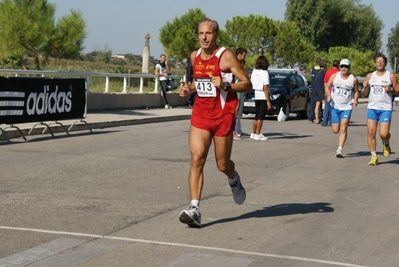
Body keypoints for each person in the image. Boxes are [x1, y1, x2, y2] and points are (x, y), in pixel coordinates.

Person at [177, 18, 252, 228]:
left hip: (223, 115)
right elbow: (199, 82)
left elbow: (247, 84)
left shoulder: (225, 56)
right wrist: (188, 89)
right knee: (197, 158)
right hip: (201, 114)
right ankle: (194, 208)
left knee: (222, 164)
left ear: (216, 35)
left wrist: (226, 84)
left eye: (208, 33)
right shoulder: (195, 56)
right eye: (201, 33)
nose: (204, 37)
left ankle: (233, 178)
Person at [361, 53, 398, 165]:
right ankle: (373, 156)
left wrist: (390, 88)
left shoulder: (390, 76)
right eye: (377, 60)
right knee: (371, 132)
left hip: (385, 108)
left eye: (382, 60)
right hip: (372, 107)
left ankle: (386, 142)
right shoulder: (369, 76)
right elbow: (364, 93)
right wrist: (364, 87)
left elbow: (397, 90)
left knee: (383, 133)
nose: (380, 62)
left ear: (385, 63)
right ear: (374, 63)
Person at [324, 58, 359, 158]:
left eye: (346, 66)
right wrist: (328, 95)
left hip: (347, 107)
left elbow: (356, 91)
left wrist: (355, 100)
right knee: (335, 130)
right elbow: (327, 86)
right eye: (342, 66)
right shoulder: (335, 76)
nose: (344, 68)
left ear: (349, 68)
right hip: (335, 106)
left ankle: (340, 149)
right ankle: (340, 142)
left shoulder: (353, 79)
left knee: (343, 128)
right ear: (339, 67)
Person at [249, 55, 271, 141]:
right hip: (263, 96)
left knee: (256, 115)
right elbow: (265, 87)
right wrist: (268, 101)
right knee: (260, 117)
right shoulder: (265, 73)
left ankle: (253, 133)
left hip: (256, 94)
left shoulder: (254, 71)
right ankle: (258, 134)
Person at [233, 47, 248, 140]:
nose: (244, 57)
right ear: (239, 55)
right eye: (244, 55)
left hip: (241, 91)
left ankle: (238, 129)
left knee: (239, 112)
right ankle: (233, 130)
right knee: (236, 110)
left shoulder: (240, 64)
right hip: (237, 90)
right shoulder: (235, 65)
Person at [322, 60, 340, 126]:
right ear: (338, 65)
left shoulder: (328, 72)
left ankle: (325, 122)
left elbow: (325, 82)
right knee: (334, 107)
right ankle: (332, 121)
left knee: (327, 107)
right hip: (336, 93)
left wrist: (325, 91)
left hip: (328, 91)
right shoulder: (339, 73)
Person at [309, 58, 322, 123]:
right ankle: (319, 117)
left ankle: (311, 118)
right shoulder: (321, 70)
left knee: (312, 103)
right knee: (319, 103)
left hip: (313, 88)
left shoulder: (312, 69)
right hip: (319, 88)